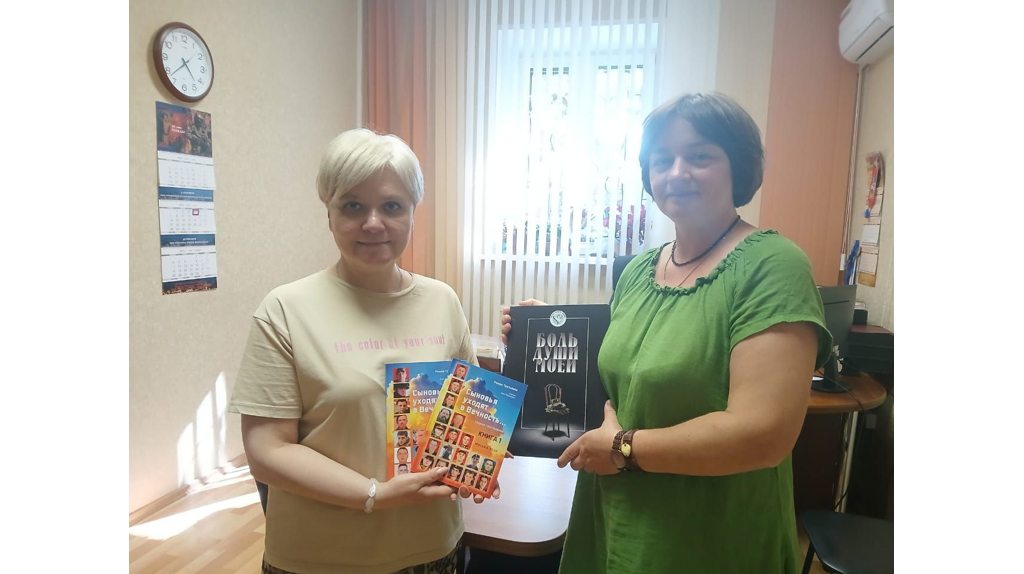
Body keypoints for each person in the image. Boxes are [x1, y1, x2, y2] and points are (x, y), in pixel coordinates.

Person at [499, 93, 832, 573]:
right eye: (662, 159)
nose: (677, 172)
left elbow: (763, 434)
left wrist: (622, 449)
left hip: (709, 538)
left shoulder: (773, 267)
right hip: (615, 522)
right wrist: (542, 335)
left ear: (737, 166)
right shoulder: (637, 271)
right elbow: (624, 377)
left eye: (699, 156)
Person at [229, 128, 493, 574]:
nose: (373, 223)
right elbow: (266, 449)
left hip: (431, 546)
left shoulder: (442, 301)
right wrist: (375, 494)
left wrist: (480, 454)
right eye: (353, 206)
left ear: (412, 213)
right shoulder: (285, 310)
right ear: (329, 214)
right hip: (319, 558)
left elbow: (465, 414)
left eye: (392, 206)